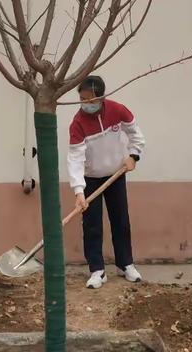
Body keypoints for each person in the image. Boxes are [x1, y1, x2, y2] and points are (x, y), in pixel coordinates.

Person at [67, 75, 145, 289]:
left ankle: (125, 264)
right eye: (82, 99)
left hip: (116, 175)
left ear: (101, 98)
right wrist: (79, 191)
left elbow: (137, 137)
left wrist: (133, 155)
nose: (85, 104)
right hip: (90, 178)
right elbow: (75, 158)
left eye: (90, 100)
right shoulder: (78, 123)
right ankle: (97, 270)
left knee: (120, 220)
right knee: (92, 225)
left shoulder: (118, 111)